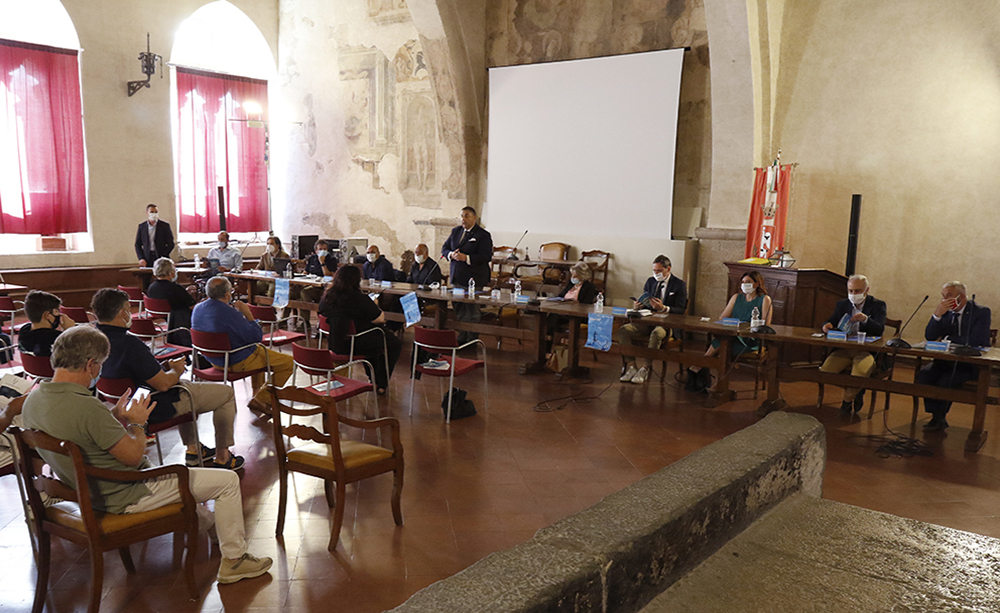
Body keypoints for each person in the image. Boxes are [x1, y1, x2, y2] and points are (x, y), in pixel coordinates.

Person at [20, 326, 272, 584]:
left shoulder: (34, 399)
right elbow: (132, 456)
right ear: (91, 365)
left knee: (189, 489)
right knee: (227, 482)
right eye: (100, 366)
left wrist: (113, 418)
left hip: (90, 492)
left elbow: (79, 433)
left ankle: (219, 537)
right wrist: (137, 424)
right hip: (127, 494)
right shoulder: (86, 407)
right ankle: (235, 561)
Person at [92, 288, 243, 469]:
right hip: (154, 405)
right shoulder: (129, 343)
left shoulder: (92, 338)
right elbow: (163, 384)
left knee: (188, 386)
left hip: (123, 403)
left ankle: (194, 450)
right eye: (128, 308)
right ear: (123, 313)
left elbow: (129, 370)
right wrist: (177, 370)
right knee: (226, 393)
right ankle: (223, 457)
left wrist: (164, 369)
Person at [191, 277, 294, 416]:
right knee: (288, 363)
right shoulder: (229, 313)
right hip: (236, 361)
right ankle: (261, 398)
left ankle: (258, 393)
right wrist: (248, 314)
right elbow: (256, 337)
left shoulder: (198, 308)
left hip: (213, 359)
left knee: (260, 354)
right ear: (227, 294)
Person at [917, 281, 991, 431]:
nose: (945, 300)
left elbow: (975, 340)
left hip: (968, 363)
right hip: (945, 360)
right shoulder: (945, 312)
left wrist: (946, 339)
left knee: (946, 381)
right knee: (924, 375)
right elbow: (930, 336)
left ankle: (939, 417)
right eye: (943, 296)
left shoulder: (981, 312)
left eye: (949, 296)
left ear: (962, 296)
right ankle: (936, 416)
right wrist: (936, 316)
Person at [318, 265, 401, 395]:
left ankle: (375, 379)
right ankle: (380, 382)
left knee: (374, 341)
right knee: (393, 343)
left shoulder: (326, 297)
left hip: (334, 342)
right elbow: (379, 318)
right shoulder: (358, 298)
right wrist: (375, 305)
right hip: (355, 344)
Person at [687, 270, 771, 392]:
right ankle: (715, 380)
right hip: (734, 335)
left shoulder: (764, 299)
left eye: (748, 282)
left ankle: (701, 366)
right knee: (723, 343)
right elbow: (722, 318)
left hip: (751, 340)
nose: (744, 285)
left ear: (757, 283)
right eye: (743, 282)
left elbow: (766, 324)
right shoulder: (737, 297)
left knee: (723, 346)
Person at [819, 274, 887, 414]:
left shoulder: (878, 305)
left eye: (857, 291)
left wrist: (866, 320)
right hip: (844, 349)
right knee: (825, 373)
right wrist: (826, 326)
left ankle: (847, 399)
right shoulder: (842, 304)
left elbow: (880, 329)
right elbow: (830, 320)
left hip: (866, 351)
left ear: (866, 290)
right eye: (850, 291)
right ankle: (857, 391)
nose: (853, 294)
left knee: (859, 375)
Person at [618, 255, 688, 384]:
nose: (656, 274)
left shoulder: (679, 285)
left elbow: (681, 310)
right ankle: (632, 366)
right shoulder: (651, 281)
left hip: (667, 324)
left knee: (657, 334)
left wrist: (664, 308)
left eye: (659, 271)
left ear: (668, 269)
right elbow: (646, 300)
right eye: (654, 271)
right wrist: (638, 306)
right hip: (648, 320)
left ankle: (645, 368)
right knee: (624, 330)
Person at [441, 206, 493, 344]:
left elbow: (486, 256)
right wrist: (451, 254)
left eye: (467, 216)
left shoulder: (483, 235)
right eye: (462, 216)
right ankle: (463, 334)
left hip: (474, 278)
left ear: (474, 218)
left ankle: (472, 338)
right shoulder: (456, 231)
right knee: (458, 306)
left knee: (472, 309)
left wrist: (467, 258)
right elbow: (444, 248)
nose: (463, 219)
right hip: (457, 275)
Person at [545, 262, 597, 353]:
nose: (573, 278)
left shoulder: (589, 287)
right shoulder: (570, 284)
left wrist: (576, 303)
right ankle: (547, 341)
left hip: (577, 315)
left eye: (575, 276)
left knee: (553, 317)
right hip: (563, 311)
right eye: (572, 275)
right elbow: (561, 296)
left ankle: (547, 341)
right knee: (552, 316)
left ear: (583, 276)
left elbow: (586, 304)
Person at [147, 257, 196, 346]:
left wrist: (185, 292)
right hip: (180, 321)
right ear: (170, 273)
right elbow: (193, 306)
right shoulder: (175, 288)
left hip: (165, 317)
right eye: (174, 269)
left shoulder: (152, 287)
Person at [18, 290, 77, 357]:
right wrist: (71, 331)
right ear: (47, 315)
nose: (59, 314)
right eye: (57, 311)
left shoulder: (24, 331)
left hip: (32, 367)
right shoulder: (56, 338)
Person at [298, 239, 339, 330]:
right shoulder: (312, 258)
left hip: (324, 288)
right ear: (316, 250)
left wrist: (322, 263)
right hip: (311, 283)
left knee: (305, 292)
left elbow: (329, 274)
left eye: (325, 249)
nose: (322, 251)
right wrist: (302, 275)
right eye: (320, 249)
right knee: (295, 290)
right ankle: (304, 322)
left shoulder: (332, 260)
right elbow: (306, 271)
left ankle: (308, 320)